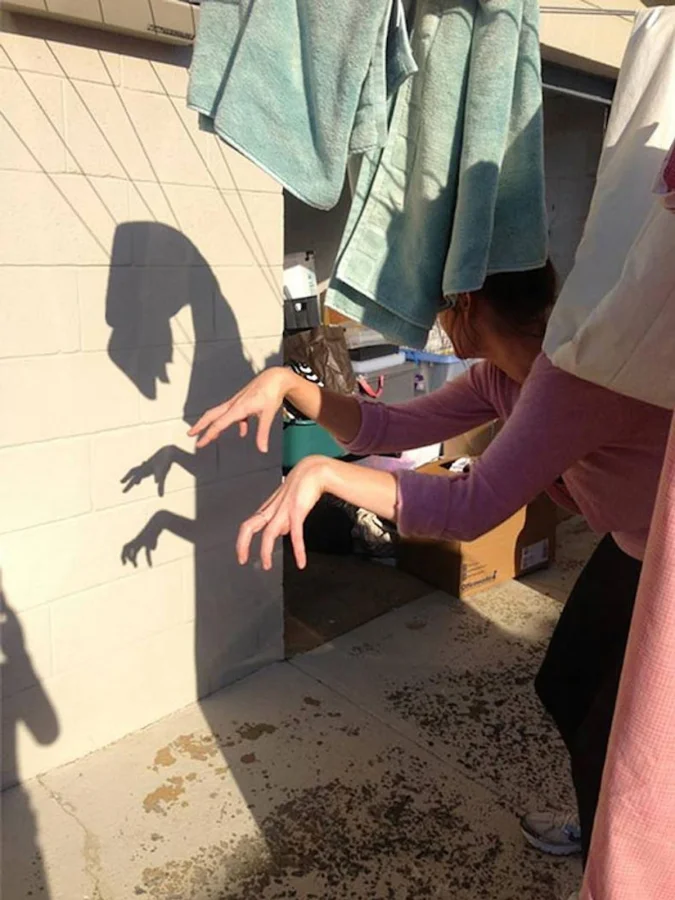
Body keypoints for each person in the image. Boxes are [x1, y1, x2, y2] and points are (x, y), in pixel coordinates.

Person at [190, 262, 670, 899]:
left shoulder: (571, 379)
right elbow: (388, 427)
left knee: (615, 738)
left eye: (437, 304)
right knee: (568, 686)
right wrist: (286, 384)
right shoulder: (503, 376)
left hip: (665, 552)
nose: (433, 321)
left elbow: (470, 507)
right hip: (633, 542)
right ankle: (603, 825)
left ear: (464, 304)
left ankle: (622, 868)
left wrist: (324, 476)